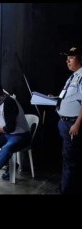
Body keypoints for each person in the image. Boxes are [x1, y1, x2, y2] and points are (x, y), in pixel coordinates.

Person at [0, 79, 30, 186]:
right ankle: (10, 164)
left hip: (20, 135)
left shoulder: (8, 102)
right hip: (7, 135)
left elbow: (11, 128)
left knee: (6, 148)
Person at [56, 46, 82, 194]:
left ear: (80, 59)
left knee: (70, 158)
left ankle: (66, 190)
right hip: (64, 123)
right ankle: (66, 186)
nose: (67, 60)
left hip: (72, 124)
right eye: (67, 58)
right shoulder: (73, 77)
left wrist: (77, 123)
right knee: (68, 156)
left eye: (71, 57)